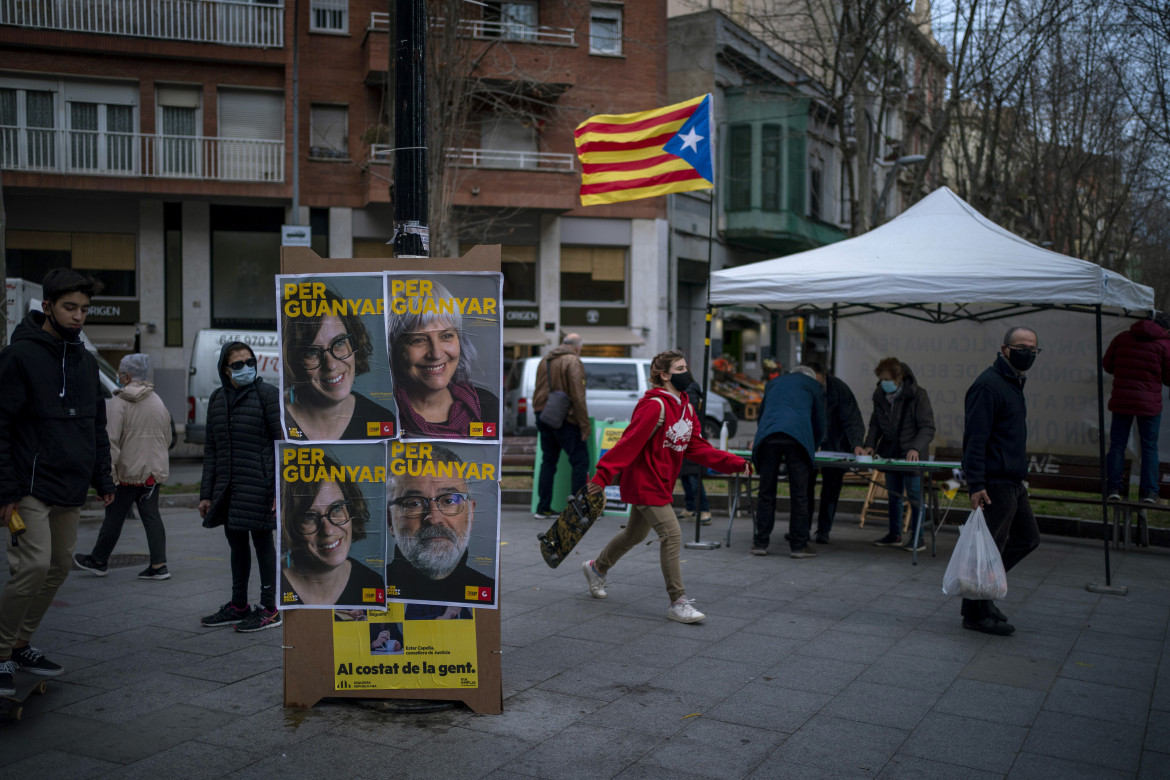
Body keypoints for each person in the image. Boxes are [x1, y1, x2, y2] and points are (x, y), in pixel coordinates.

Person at [0, 269, 115, 696]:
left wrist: (103, 476)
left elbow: (95, 427)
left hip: (70, 485)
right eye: (70, 307)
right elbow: (2, 424)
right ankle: (0, 654)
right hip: (28, 484)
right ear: (47, 306)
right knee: (31, 566)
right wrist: (5, 489)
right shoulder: (19, 357)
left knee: (60, 565)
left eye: (84, 309)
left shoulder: (84, 361)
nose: (78, 316)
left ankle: (20, 643)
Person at [581, 350, 749, 624]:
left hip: (662, 482)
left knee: (633, 536)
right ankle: (678, 601)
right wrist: (602, 475)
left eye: (686, 367)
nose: (686, 373)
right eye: (680, 368)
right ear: (665, 374)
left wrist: (733, 462)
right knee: (671, 535)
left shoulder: (686, 406)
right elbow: (628, 443)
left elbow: (697, 448)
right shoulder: (655, 406)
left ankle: (597, 568)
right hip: (645, 482)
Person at [961, 326, 1043, 636]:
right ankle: (975, 609)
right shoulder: (989, 385)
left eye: (1033, 349)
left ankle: (982, 598)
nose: (1028, 353)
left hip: (1012, 481)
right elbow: (975, 439)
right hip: (994, 482)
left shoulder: (1013, 382)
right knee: (991, 548)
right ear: (1005, 348)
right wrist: (976, 483)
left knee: (1026, 539)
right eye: (1022, 347)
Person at [198, 341, 285, 633]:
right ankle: (238, 605)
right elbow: (212, 449)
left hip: (260, 486)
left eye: (250, 362)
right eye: (238, 364)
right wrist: (206, 494)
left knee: (263, 544)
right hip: (228, 488)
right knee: (236, 543)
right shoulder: (216, 399)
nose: (246, 368)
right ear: (225, 368)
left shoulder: (267, 396)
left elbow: (282, 445)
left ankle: (270, 607)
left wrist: (278, 489)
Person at [74, 354, 173, 581]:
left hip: (128, 473)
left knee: (114, 516)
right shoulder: (157, 400)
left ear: (126, 376)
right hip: (151, 474)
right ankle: (159, 565)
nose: (118, 376)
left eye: (119, 373)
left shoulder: (120, 402)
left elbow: (110, 443)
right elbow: (166, 438)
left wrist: (106, 477)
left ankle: (98, 560)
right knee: (151, 516)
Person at [387, 279, 499, 439]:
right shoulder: (382, 414)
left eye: (446, 336)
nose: (436, 354)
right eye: (418, 339)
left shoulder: (488, 406)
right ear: (395, 347)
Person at [283, 286, 396, 441]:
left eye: (339, 342)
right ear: (292, 360)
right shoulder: (278, 421)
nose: (331, 365)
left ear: (354, 341)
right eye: (312, 352)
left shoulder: (381, 419)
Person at [386, 446, 493, 604]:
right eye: (414, 503)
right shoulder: (369, 589)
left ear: (471, 514)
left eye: (449, 500)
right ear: (390, 520)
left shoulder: (489, 590)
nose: (434, 518)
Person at [279, 462, 384, 607]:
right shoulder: (275, 584)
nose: (328, 530)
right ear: (288, 525)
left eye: (336, 508)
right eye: (309, 517)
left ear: (351, 508)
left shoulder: (372, 581)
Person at [751, 365, 826, 558]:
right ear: (809, 376)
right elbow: (819, 421)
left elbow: (763, 415)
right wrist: (814, 444)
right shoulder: (814, 385)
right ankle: (798, 545)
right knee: (799, 493)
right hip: (798, 438)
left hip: (769, 437)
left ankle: (760, 543)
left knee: (766, 491)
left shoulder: (773, 383)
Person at [863, 358, 936, 551]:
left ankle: (918, 538)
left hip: (912, 454)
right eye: (881, 378)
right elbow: (875, 425)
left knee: (914, 496)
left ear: (899, 378)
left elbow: (927, 427)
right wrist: (869, 445)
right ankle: (894, 534)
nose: (883, 382)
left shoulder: (918, 395)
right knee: (893, 494)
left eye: (887, 379)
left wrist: (915, 448)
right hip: (890, 452)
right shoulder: (879, 395)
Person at [1103, 313, 1170, 503]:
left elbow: (1107, 365)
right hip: (1149, 404)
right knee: (1149, 447)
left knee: (1117, 445)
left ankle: (1113, 488)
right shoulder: (1165, 345)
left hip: (1122, 401)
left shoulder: (1122, 337)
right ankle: (1149, 492)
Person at [804, 361, 866, 544]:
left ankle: (824, 530)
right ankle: (802, 528)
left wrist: (856, 444)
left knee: (831, 490)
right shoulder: (804, 389)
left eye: (819, 382)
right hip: (810, 444)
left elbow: (852, 420)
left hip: (836, 446)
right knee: (804, 488)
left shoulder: (839, 389)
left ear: (824, 376)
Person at [532, 334, 590, 520]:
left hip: (544, 415)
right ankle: (578, 509)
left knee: (548, 461)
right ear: (577, 347)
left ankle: (543, 508)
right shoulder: (573, 361)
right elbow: (578, 396)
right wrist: (584, 425)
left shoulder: (545, 360)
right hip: (564, 418)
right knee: (580, 461)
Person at [677, 376, 711, 525]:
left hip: (691, 440)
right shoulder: (687, 390)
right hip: (683, 439)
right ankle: (690, 508)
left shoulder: (689, 392)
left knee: (693, 476)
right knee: (685, 476)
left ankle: (704, 509)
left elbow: (689, 416)